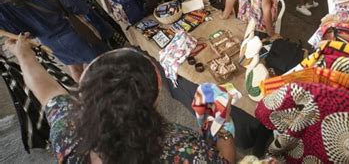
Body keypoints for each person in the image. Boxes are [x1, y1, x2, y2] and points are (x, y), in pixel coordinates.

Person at [4, 38, 236, 163]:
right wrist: (220, 122)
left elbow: (47, 93)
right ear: (155, 102)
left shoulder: (69, 134)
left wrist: (23, 55)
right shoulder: (183, 149)